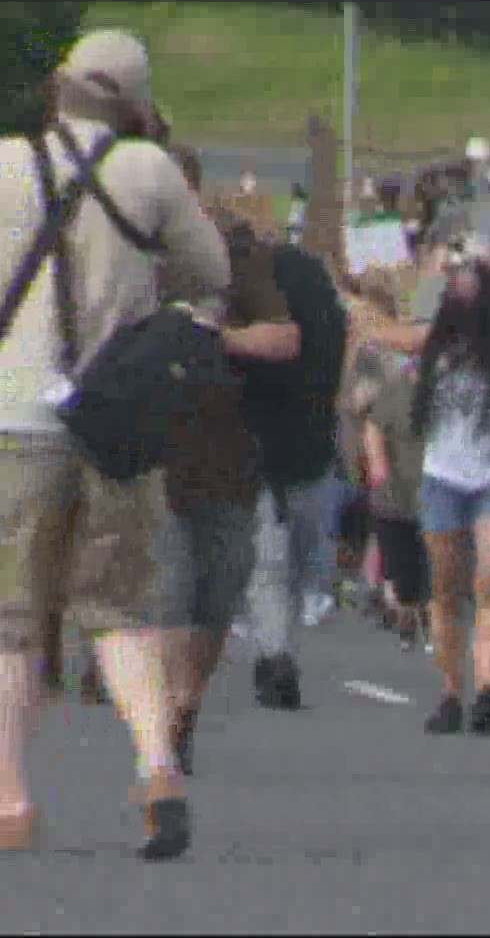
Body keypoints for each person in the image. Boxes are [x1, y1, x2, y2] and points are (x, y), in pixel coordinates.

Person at [0, 29, 231, 858]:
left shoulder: (5, 166)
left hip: (16, 421)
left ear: (59, 88)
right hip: (116, 423)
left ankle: (11, 803)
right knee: (121, 608)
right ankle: (156, 762)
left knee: (12, 621)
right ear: (135, 105)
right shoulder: (151, 173)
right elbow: (210, 275)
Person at [155, 146, 300, 778]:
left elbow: (284, 336)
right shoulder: (118, 251)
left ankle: (185, 705)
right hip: (148, 454)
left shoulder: (233, 255)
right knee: (167, 594)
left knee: (220, 591)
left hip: (227, 451)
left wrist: (218, 335)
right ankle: (160, 724)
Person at [413, 261, 490, 737]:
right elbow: (376, 326)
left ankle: (484, 689)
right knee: (445, 589)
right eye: (454, 290)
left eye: (469, 291)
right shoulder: (433, 346)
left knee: (489, 581)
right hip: (443, 476)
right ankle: (450, 690)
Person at [239, 204, 349, 713]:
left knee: (268, 561)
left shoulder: (254, 313)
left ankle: (275, 653)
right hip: (310, 448)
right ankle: (280, 654)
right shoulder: (323, 310)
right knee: (297, 562)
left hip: (262, 448)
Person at [364, 349, 432, 653]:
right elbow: (374, 427)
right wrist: (378, 463)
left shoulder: (447, 394)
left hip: (433, 493)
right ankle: (406, 619)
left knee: (430, 561)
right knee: (402, 563)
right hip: (397, 492)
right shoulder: (397, 388)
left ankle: (428, 621)